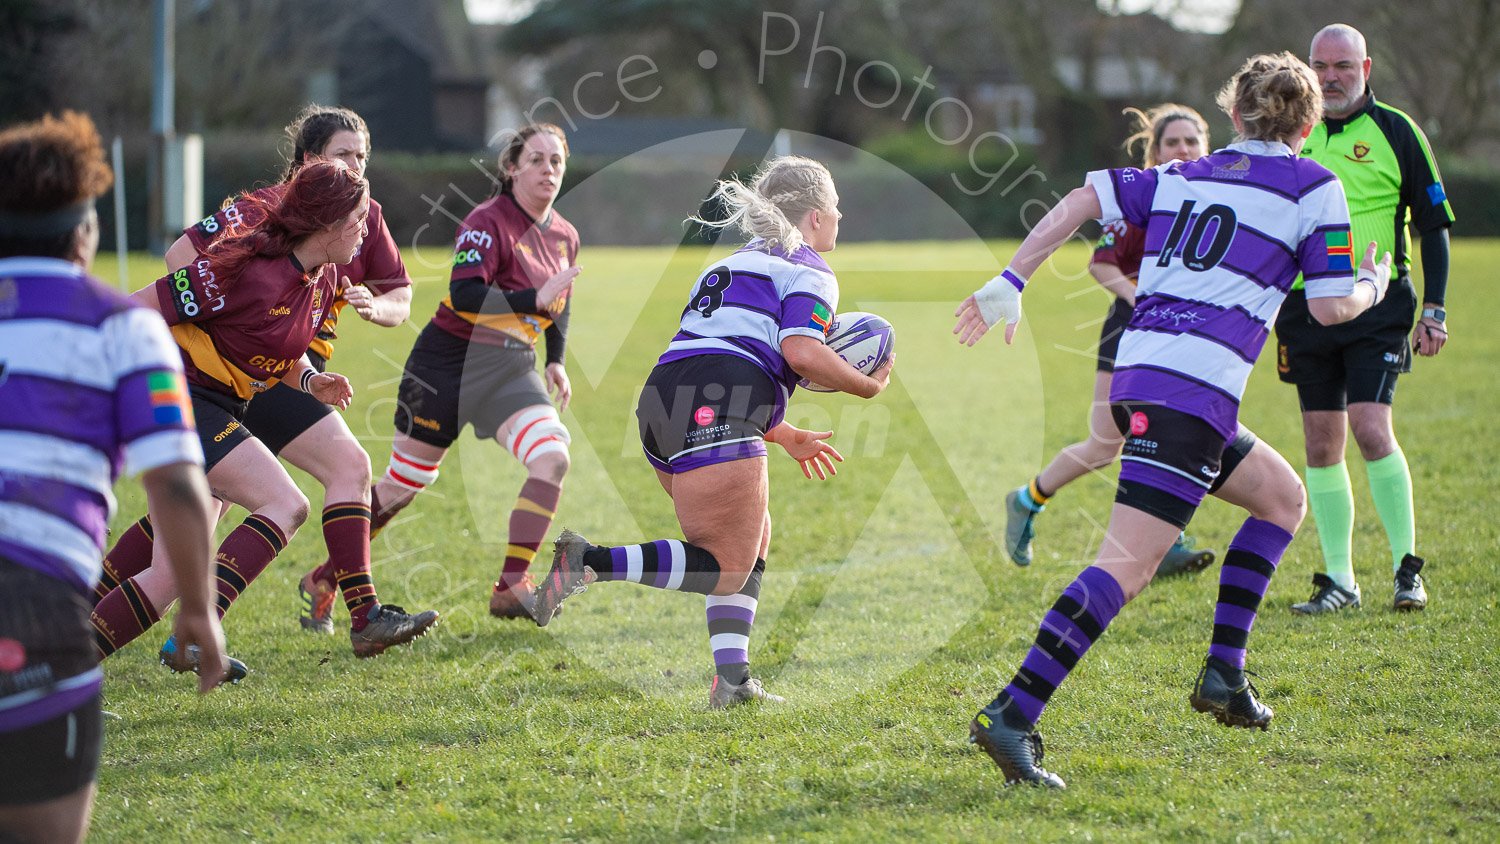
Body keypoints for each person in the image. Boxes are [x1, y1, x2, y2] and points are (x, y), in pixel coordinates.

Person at [955, 53, 1392, 787]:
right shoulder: (1315, 185)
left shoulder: (1186, 174)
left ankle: (1224, 674)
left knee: (1281, 498)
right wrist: (1373, 284)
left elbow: (1084, 197)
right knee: (1127, 566)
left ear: (1233, 115)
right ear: (1311, 123)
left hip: (1148, 379)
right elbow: (1328, 306)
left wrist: (1013, 275)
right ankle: (1012, 714)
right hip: (1188, 395)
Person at [530, 155, 892, 709]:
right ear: (816, 217)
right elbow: (801, 351)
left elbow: (721, 346)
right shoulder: (812, 268)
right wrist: (865, 388)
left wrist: (780, 429)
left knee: (750, 537)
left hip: (662, 398)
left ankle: (732, 682)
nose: (841, 217)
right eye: (837, 207)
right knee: (725, 565)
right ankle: (589, 562)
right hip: (718, 399)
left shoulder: (728, 263)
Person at [89, 160, 437, 672]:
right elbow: (133, 310)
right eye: (359, 218)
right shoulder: (241, 272)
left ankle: (48, 667)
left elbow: (271, 345)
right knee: (284, 502)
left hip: (219, 406)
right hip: (178, 401)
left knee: (166, 576)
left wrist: (308, 380)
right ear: (327, 224)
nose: (368, 228)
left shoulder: (323, 277)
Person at [0, 111, 225, 844]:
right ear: (85, 233)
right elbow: (180, 485)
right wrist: (197, 607)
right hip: (29, 604)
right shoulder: (121, 328)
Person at [1279, 24, 1454, 615]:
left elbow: (1434, 224)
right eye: (1320, 65)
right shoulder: (1290, 137)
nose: (1330, 77)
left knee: (1371, 427)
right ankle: (1339, 581)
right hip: (1305, 309)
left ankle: (1407, 571)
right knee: (1321, 441)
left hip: (1378, 304)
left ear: (1366, 68)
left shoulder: (1398, 131)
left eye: (1342, 66)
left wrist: (1435, 308)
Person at [375, 123, 583, 619]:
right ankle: (324, 576)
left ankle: (511, 585)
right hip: (448, 362)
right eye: (536, 160)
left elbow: (559, 300)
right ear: (511, 168)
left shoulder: (566, 235)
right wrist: (532, 299)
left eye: (556, 161)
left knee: (553, 457)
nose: (548, 170)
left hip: (512, 368)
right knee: (404, 485)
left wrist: (555, 358)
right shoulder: (484, 221)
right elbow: (466, 293)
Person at [1004, 104, 1218, 576]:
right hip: (1131, 330)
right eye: (1172, 142)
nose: (1182, 149)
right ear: (1154, 150)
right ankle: (1027, 500)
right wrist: (1142, 298)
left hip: (1186, 332)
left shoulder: (1218, 197)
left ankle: (1168, 542)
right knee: (1105, 443)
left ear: (1207, 145)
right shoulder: (1142, 196)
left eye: (1191, 141)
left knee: (1175, 430)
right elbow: (1101, 264)